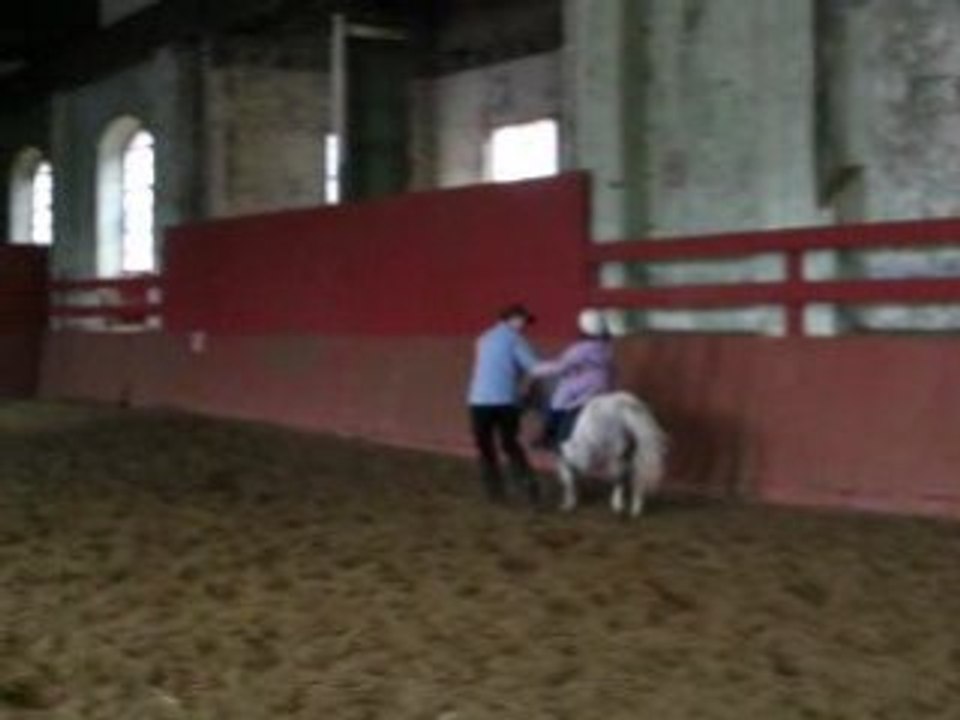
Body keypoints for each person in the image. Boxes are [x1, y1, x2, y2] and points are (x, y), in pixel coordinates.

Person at [466, 303, 541, 504]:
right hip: (505, 400)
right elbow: (534, 368)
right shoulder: (516, 340)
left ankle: (494, 492)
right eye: (523, 321)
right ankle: (527, 486)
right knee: (510, 443)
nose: (525, 325)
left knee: (485, 447)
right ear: (514, 319)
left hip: (478, 400)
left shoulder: (482, 339)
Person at [531, 308, 616, 451]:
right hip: (605, 384)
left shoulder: (580, 349)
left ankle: (548, 436)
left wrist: (538, 369)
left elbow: (561, 367)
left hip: (583, 387)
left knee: (557, 400)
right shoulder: (606, 346)